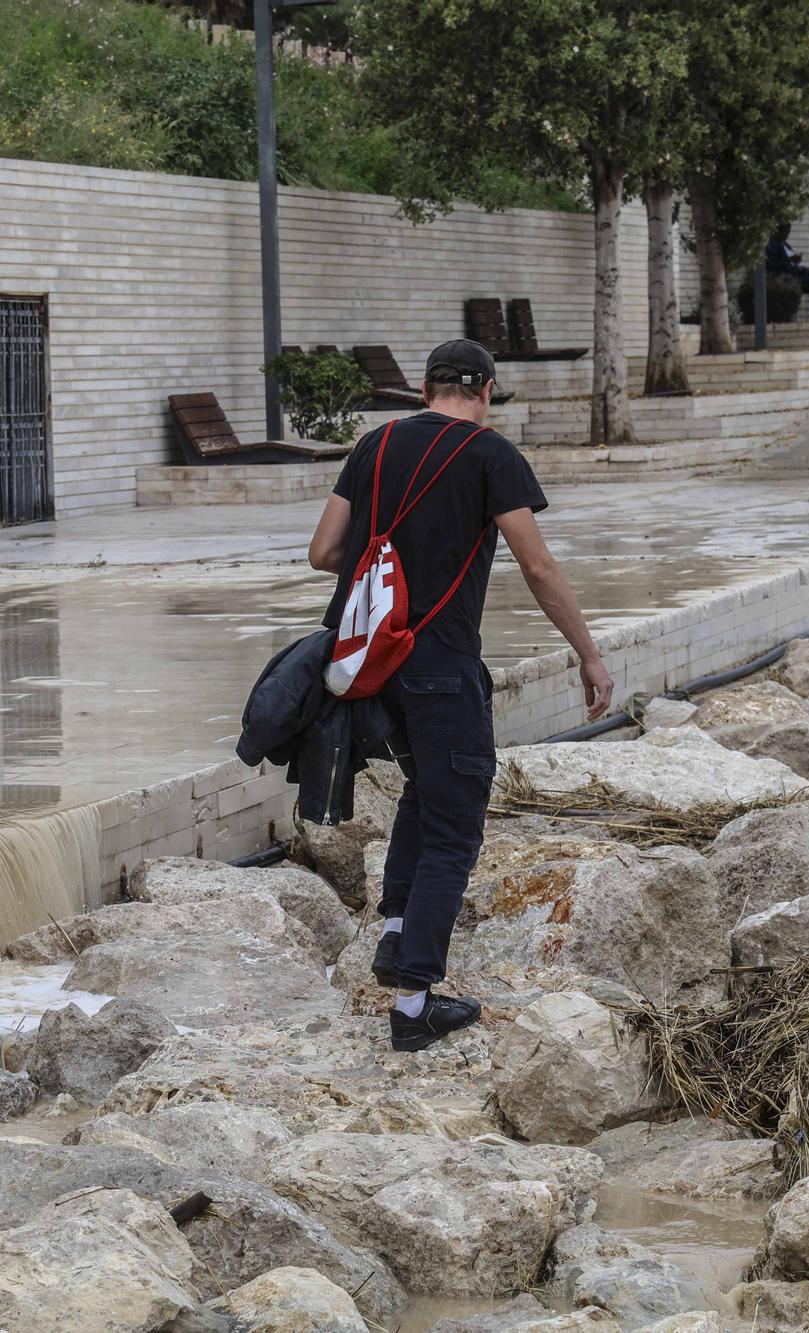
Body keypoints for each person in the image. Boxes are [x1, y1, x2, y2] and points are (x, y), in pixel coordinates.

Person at [307, 339, 614, 1052]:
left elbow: (324, 552)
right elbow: (536, 564)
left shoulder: (374, 447)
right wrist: (589, 654)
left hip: (374, 669)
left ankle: (392, 933)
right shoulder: (489, 454)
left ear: (425, 385)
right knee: (455, 821)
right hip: (442, 668)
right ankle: (413, 1007)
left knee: (426, 787)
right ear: (488, 387)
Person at [766, 223, 809, 321]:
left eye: (788, 233)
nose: (787, 235)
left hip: (798, 272)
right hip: (788, 277)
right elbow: (772, 265)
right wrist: (790, 260)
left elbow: (793, 263)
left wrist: (799, 263)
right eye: (785, 232)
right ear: (777, 231)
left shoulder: (786, 245)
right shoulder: (772, 245)